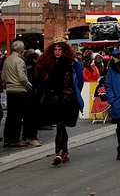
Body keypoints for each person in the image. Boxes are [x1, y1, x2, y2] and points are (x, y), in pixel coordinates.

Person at [35, 36, 84, 166]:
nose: (57, 52)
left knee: (61, 125)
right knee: (60, 126)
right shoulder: (47, 63)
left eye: (60, 49)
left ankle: (57, 153)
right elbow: (41, 81)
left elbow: (79, 81)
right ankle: (65, 152)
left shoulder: (72, 63)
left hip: (67, 98)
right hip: (52, 98)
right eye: (55, 49)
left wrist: (74, 93)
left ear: (64, 50)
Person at [2, 40, 33, 148]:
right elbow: (22, 77)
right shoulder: (19, 61)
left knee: (10, 116)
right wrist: (29, 85)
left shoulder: (7, 60)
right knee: (17, 117)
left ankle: (7, 139)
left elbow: (3, 76)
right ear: (21, 49)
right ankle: (15, 139)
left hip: (10, 90)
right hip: (19, 90)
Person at [22, 49, 41, 146]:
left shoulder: (24, 66)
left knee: (27, 116)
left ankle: (26, 136)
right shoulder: (33, 69)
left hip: (26, 92)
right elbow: (36, 81)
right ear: (34, 59)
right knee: (33, 116)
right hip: (33, 94)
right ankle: (32, 137)